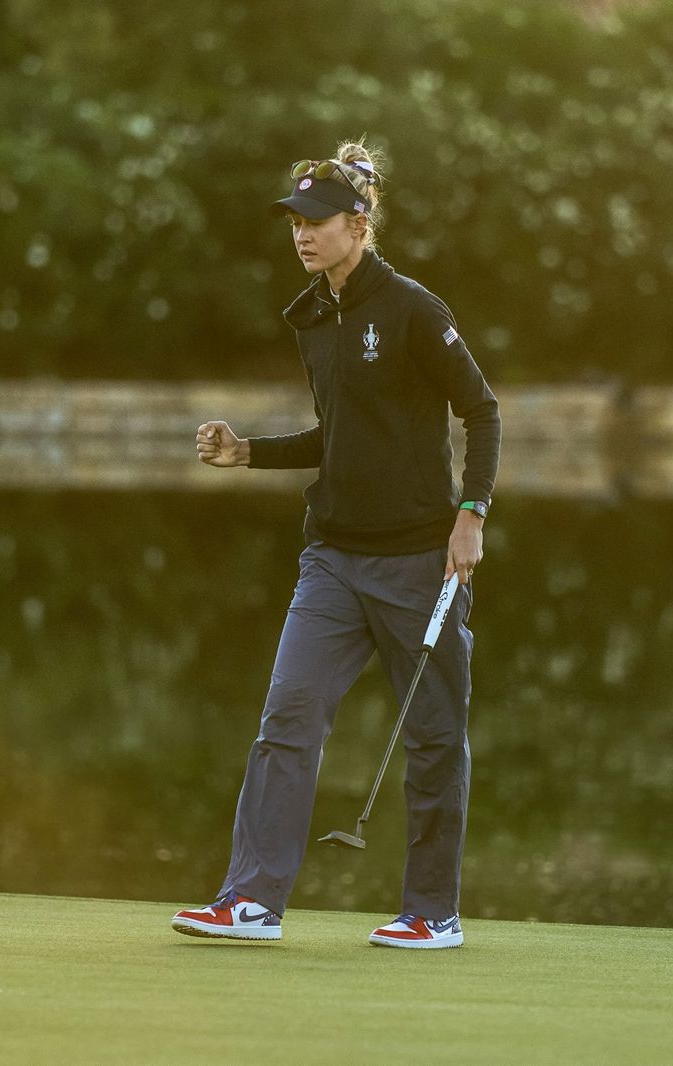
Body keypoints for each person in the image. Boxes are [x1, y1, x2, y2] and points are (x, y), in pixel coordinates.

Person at [170, 140, 500, 948]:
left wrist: (471, 514)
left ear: (360, 223)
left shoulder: (416, 308)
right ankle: (251, 901)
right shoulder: (314, 316)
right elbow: (338, 436)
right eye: (295, 222)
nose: (303, 235)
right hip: (332, 559)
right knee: (289, 715)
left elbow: (483, 412)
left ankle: (433, 913)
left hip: (421, 557)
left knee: (433, 738)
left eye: (318, 222)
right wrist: (248, 452)